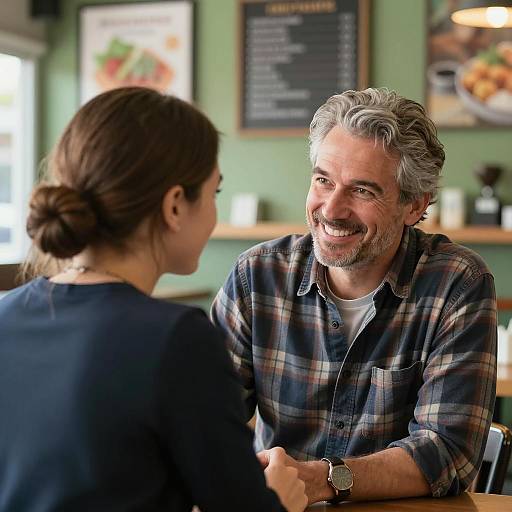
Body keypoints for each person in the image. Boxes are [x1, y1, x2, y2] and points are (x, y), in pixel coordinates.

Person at [0, 87, 308, 512]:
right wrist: (278, 498)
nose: (214, 212)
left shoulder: (4, 315)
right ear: (175, 206)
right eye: (214, 193)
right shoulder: (177, 338)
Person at [211, 88, 497, 504]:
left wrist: (322, 480)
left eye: (363, 190)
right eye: (323, 180)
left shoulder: (458, 282)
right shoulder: (256, 276)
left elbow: (448, 452)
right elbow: (206, 421)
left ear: (414, 206)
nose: (331, 209)